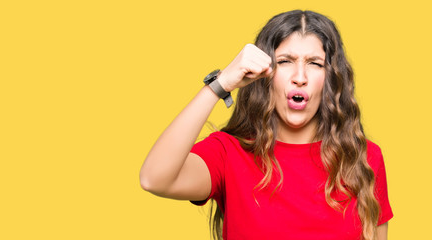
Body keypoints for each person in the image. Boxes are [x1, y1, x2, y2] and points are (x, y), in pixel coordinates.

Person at [140, 10, 393, 240]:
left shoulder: (363, 157)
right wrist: (220, 84)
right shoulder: (228, 154)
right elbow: (154, 178)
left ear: (330, 78)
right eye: (285, 61)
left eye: (315, 63)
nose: (300, 77)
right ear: (265, 72)